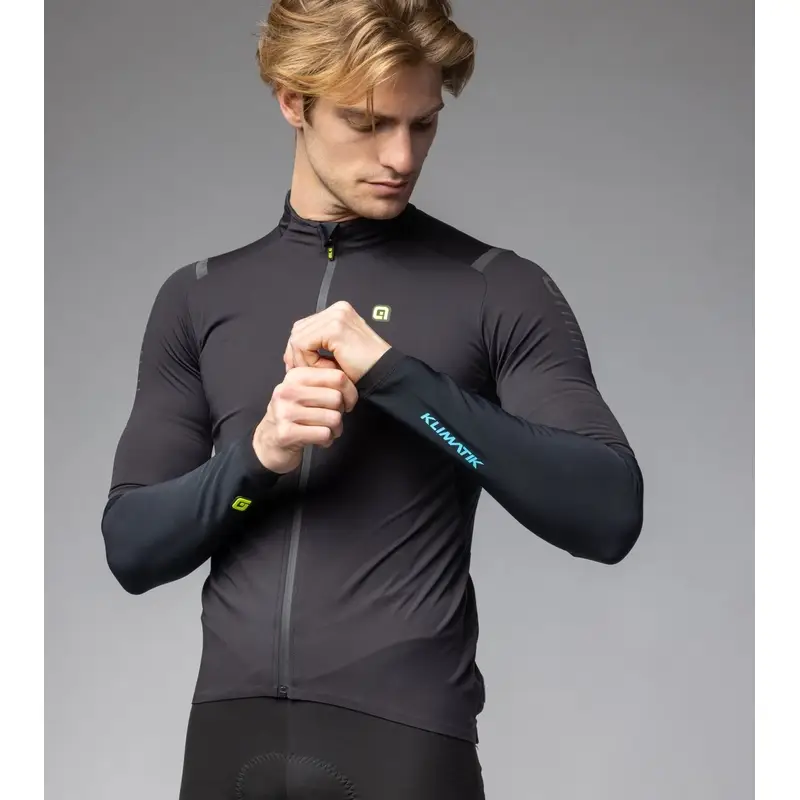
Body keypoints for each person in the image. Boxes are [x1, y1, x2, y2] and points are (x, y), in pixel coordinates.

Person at [101, 0, 645, 797]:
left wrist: (398, 379)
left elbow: (607, 515)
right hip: (229, 746)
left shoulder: (494, 289)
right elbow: (132, 550)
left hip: (403, 748)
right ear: (294, 101)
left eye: (423, 124)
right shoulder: (199, 298)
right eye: (366, 122)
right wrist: (257, 459)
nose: (400, 155)